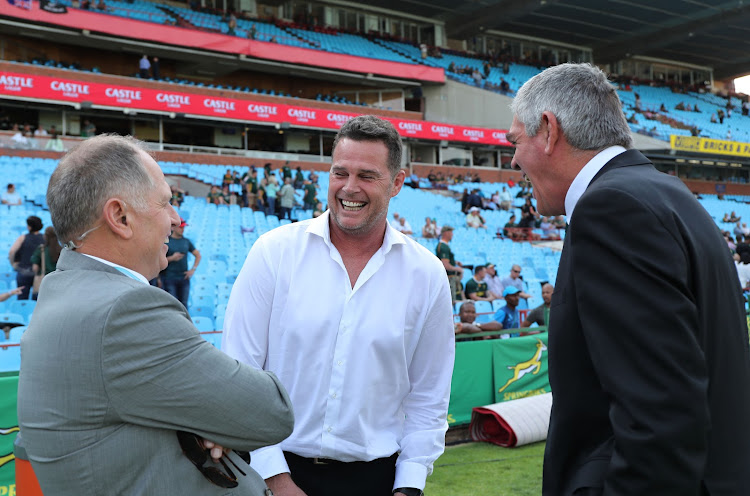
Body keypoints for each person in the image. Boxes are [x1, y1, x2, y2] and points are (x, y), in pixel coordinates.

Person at [508, 62, 750, 495]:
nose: (512, 160)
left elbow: (659, 412)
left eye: (515, 141)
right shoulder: (665, 193)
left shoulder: (612, 208)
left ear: (547, 130)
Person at [17, 134, 294, 495]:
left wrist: (207, 420)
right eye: (165, 203)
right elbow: (270, 412)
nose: (177, 219)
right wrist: (215, 421)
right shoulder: (125, 311)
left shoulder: (64, 291)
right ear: (120, 217)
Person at [222, 115, 454, 496]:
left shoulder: (426, 274)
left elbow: (429, 394)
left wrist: (409, 484)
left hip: (377, 480)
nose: (350, 188)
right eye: (339, 172)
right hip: (274, 471)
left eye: (367, 175)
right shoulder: (274, 252)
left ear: (397, 182)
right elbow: (239, 370)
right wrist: (274, 477)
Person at [161, 218, 201, 309]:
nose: (182, 230)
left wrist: (193, 270)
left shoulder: (186, 241)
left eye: (183, 228)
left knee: (184, 305)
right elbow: (159, 260)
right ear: (173, 228)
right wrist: (172, 258)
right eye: (180, 227)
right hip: (169, 278)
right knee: (173, 305)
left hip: (184, 278)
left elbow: (198, 255)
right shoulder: (167, 241)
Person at [9, 216, 44, 300]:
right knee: (37, 300)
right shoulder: (44, 238)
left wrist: (13, 264)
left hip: (24, 271)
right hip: (39, 273)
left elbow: (12, 251)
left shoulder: (23, 237)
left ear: (30, 226)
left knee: (22, 298)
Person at [30, 226, 62, 300]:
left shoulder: (41, 250)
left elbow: (35, 268)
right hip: (58, 283)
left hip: (44, 282)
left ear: (46, 236)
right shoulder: (62, 250)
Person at [437, 225, 464, 303]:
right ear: (446, 233)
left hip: (449, 277)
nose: (452, 234)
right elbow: (445, 265)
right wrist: (459, 269)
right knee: (451, 301)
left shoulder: (444, 246)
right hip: (449, 277)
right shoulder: (443, 247)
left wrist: (455, 262)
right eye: (451, 232)